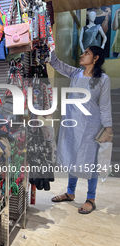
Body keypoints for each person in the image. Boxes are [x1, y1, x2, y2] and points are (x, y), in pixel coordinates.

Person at [49, 46, 113, 214]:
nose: (82, 55)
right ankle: (70, 193)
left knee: (90, 162)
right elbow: (55, 62)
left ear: (96, 58)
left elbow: (105, 106)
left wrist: (109, 131)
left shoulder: (103, 79)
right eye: (83, 52)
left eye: (87, 53)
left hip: (90, 126)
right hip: (71, 124)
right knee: (72, 157)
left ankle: (91, 198)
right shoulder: (75, 73)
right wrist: (51, 45)